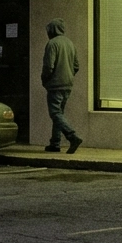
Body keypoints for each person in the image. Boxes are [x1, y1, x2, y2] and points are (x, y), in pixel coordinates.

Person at [41, 17, 82, 154]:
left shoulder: (52, 44)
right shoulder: (70, 43)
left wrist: (45, 80)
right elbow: (76, 66)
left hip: (55, 84)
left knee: (55, 113)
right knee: (59, 114)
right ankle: (55, 143)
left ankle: (72, 136)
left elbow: (48, 66)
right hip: (67, 84)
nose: (47, 32)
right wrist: (69, 75)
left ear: (52, 30)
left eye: (49, 30)